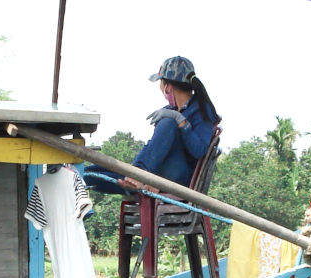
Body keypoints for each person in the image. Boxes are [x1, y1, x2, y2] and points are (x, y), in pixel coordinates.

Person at [84, 56, 220, 193]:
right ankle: (136, 176)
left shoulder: (201, 109)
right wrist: (133, 168)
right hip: (154, 173)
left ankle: (138, 175)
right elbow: (153, 146)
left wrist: (180, 121)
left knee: (168, 122)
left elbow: (199, 150)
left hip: (178, 177)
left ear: (168, 86)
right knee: (89, 174)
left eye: (161, 82)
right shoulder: (169, 110)